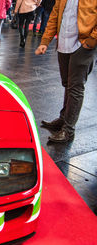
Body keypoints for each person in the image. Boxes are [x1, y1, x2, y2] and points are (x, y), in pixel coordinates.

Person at [35, 0, 97, 143]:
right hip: (64, 44)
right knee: (67, 84)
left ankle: (68, 131)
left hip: (82, 46)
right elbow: (55, 16)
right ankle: (63, 119)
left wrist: (91, 41)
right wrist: (45, 41)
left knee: (75, 88)